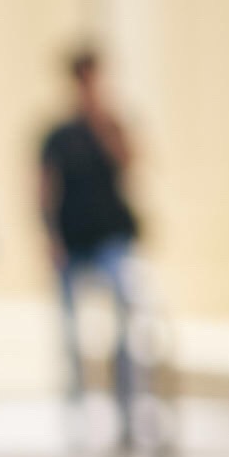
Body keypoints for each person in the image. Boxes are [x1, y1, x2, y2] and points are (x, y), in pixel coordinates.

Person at [38, 45, 141, 408]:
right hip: (73, 239)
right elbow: (44, 189)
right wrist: (50, 239)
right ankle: (77, 403)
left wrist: (101, 124)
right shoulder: (58, 135)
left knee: (127, 314)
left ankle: (127, 403)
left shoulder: (111, 125)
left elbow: (131, 163)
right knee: (71, 330)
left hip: (110, 237)